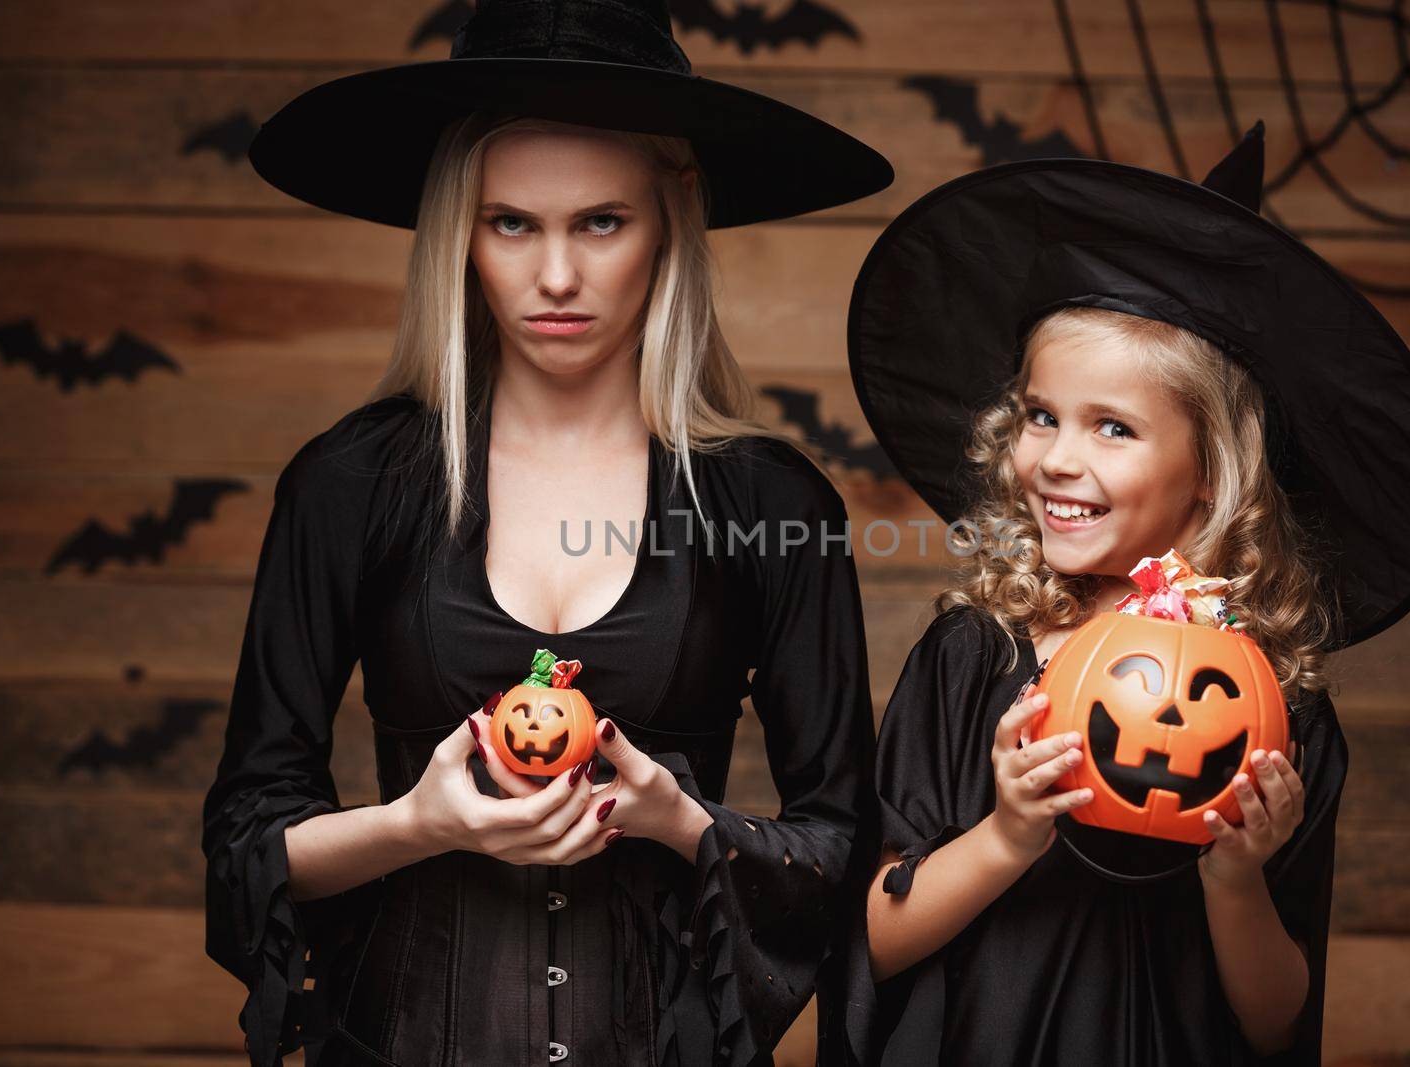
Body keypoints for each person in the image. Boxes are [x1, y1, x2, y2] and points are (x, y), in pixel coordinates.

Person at [199, 2, 892, 1064]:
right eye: (510, 221)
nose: (555, 277)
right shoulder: (352, 483)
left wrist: (678, 819)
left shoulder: (770, 504)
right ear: (457, 233)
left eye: (600, 222)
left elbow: (840, 847)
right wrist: (420, 824)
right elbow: (247, 840)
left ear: (672, 218)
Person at [839, 124, 1410, 1065]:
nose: (1058, 458)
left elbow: (1274, 1022)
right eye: (1041, 415)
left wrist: (1238, 878)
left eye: (1113, 428)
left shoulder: (1279, 712)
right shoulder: (973, 656)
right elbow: (871, 944)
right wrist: (1007, 835)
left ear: (1211, 472)